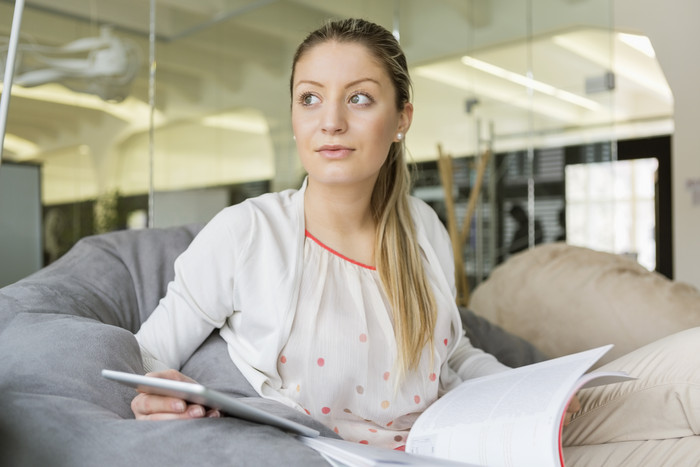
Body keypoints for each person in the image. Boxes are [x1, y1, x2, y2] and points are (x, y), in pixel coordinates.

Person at [132, 18, 700, 465]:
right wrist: (157, 387)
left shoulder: (422, 227)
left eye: (358, 98)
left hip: (458, 440)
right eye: (310, 98)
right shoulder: (247, 232)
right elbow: (149, 350)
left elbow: (452, 354)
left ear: (401, 118)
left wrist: (534, 390)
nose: (329, 121)